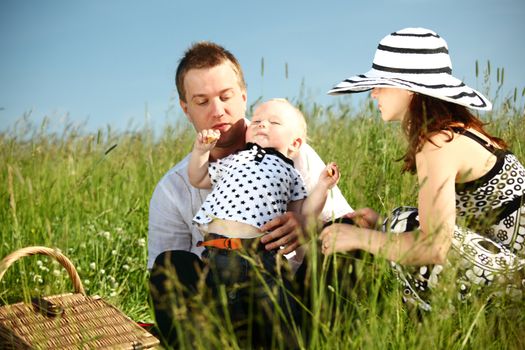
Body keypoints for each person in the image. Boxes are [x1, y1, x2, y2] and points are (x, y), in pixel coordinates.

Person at [148, 41, 352, 346]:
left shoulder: (294, 152)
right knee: (168, 268)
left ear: (243, 95)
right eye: (202, 101)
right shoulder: (173, 188)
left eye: (226, 97)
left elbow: (341, 225)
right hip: (221, 305)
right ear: (185, 109)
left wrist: (308, 227)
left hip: (292, 297)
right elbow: (168, 282)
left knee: (350, 236)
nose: (218, 111)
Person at [320, 27, 525, 310]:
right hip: (511, 264)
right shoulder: (452, 133)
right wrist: (381, 226)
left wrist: (360, 237)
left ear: (407, 89)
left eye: (381, 84)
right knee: (399, 221)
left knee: (404, 229)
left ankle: (428, 325)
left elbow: (436, 247)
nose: (373, 94)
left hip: (518, 276)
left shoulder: (438, 143)